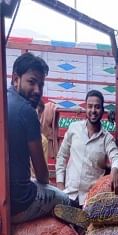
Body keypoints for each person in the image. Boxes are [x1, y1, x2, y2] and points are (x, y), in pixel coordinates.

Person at [8, 52, 71, 224]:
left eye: (41, 85)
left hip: (4, 195)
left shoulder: (3, 100)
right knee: (65, 200)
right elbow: (42, 174)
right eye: (32, 82)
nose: (37, 90)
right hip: (19, 202)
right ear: (15, 79)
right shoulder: (27, 112)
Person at [55, 90, 118, 205]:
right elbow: (61, 156)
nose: (93, 111)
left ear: (102, 110)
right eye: (90, 106)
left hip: (91, 199)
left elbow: (116, 158)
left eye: (97, 107)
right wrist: (60, 186)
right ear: (85, 108)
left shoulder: (107, 138)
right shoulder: (73, 128)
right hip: (69, 195)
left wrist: (115, 170)